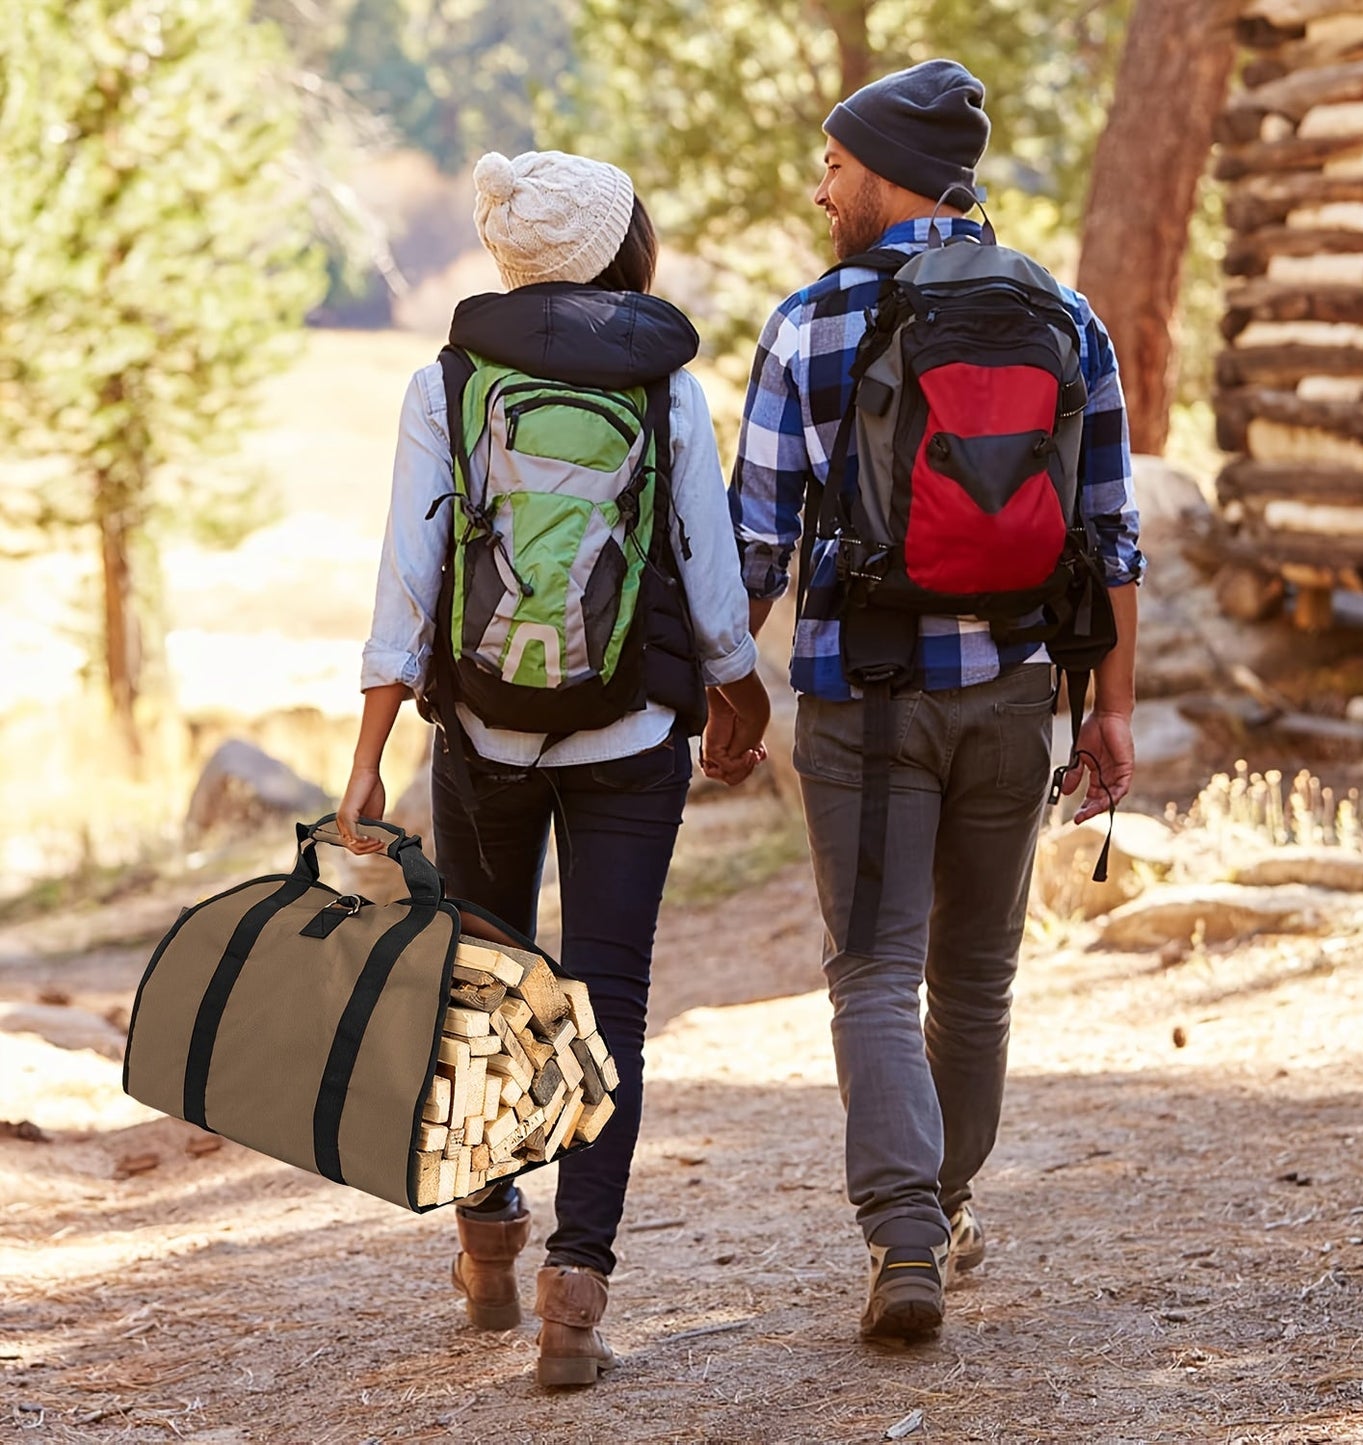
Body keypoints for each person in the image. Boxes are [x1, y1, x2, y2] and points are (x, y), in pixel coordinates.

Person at [726, 60, 1144, 1343]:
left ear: (888, 171)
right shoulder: (1064, 316)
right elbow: (1112, 537)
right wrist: (1110, 711)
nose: (819, 188)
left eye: (835, 165)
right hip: (1015, 695)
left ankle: (902, 1235)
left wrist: (725, 689)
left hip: (861, 697)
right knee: (975, 978)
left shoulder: (809, 321)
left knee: (871, 972)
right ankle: (945, 1210)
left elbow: (751, 541)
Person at [338, 149, 769, 1387]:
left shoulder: (450, 381)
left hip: (478, 730)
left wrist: (366, 761)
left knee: (487, 983)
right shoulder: (663, 386)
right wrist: (739, 696)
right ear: (619, 249)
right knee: (608, 997)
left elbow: (404, 582)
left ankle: (485, 1228)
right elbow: (705, 566)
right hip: (631, 734)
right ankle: (574, 1288)